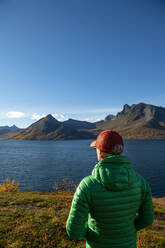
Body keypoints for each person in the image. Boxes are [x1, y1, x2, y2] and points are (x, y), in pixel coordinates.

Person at [66, 130, 154, 248]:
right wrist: (127, 229)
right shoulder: (141, 183)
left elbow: (73, 231)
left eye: (96, 149)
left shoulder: (87, 186)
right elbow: (147, 219)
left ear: (100, 153)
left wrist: (90, 234)